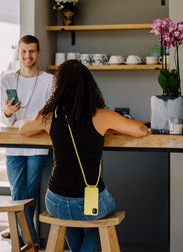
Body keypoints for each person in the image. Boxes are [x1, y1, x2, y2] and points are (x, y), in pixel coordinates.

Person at [19, 59, 148, 252]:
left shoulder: (48, 115)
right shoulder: (101, 115)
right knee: (101, 216)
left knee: (69, 219)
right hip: (89, 199)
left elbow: (23, 130)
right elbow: (141, 130)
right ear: (89, 85)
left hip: (55, 200)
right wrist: (110, 129)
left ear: (59, 87)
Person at [0, 35, 53, 251]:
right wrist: (8, 111)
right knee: (17, 192)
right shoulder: (7, 79)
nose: (27, 56)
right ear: (18, 52)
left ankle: (22, 236)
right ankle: (31, 240)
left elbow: (49, 115)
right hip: (13, 142)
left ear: (38, 52)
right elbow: (4, 118)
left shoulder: (49, 80)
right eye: (23, 51)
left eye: (31, 51)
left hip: (38, 144)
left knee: (29, 193)